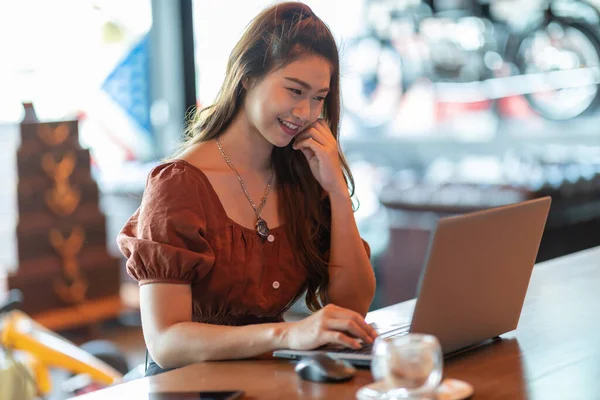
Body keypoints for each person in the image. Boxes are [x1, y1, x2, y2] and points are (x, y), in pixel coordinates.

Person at [117, 1, 377, 376]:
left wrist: (336, 189)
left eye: (318, 97)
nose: (305, 113)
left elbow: (354, 305)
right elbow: (165, 342)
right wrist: (285, 335)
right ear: (248, 76)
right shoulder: (178, 183)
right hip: (191, 386)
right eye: (294, 90)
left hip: (271, 378)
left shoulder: (301, 172)